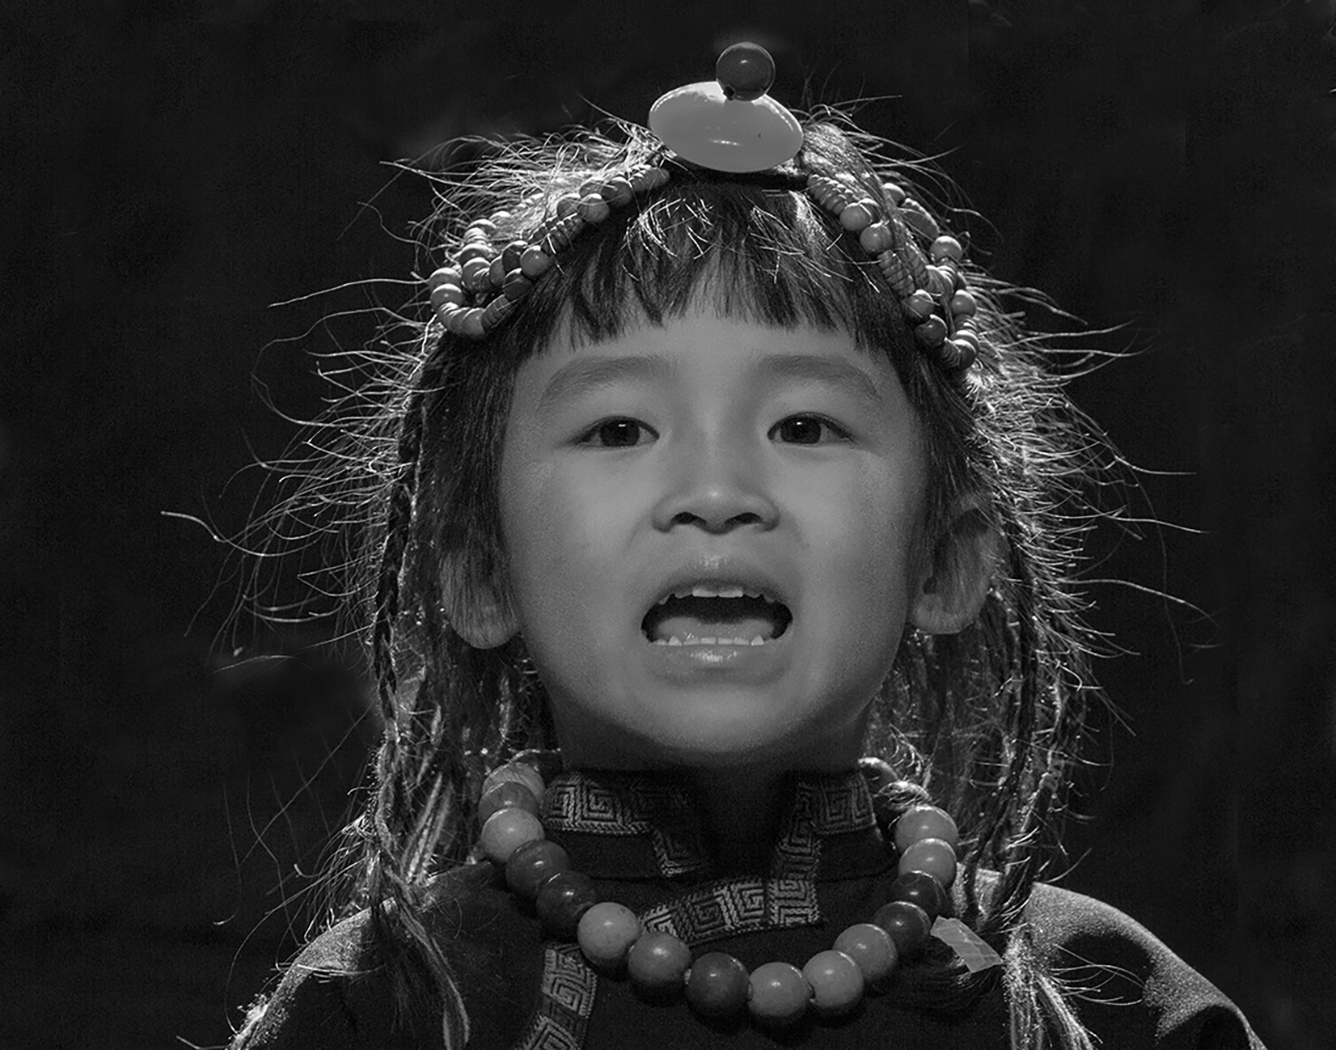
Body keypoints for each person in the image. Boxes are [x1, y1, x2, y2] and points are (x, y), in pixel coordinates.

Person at [229, 43, 1263, 1050]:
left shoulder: (1108, 1007)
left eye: (803, 427)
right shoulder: (388, 1009)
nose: (717, 495)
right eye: (619, 429)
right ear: (479, 573)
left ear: (945, 562)